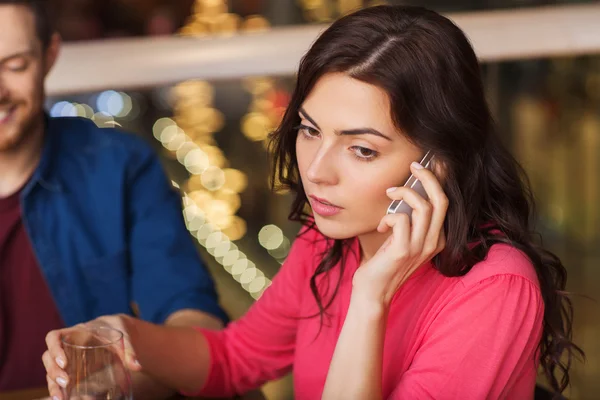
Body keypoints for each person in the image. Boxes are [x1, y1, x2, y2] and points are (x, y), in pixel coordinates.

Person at [44, 5, 583, 400]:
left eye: (362, 149)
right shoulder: (329, 238)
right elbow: (236, 360)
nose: (317, 171)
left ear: (439, 162)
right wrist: (121, 331)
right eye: (309, 129)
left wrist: (371, 296)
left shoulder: (495, 287)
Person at [0, 0, 227, 395]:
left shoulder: (120, 166)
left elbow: (199, 326)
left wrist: (111, 385)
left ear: (50, 55)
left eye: (15, 65)